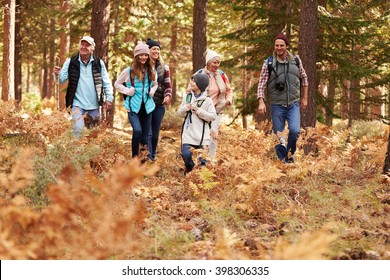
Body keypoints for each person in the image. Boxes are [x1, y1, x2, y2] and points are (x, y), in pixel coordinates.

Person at [257, 33, 308, 163]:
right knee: (278, 135)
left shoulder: (296, 60)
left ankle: (290, 155)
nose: (279, 48)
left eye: (281, 45)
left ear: (286, 46)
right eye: (276, 45)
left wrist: (305, 98)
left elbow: (304, 79)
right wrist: (261, 101)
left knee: (295, 131)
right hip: (276, 104)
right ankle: (284, 160)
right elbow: (261, 84)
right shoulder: (268, 63)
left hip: (293, 103)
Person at [54, 35, 114, 137]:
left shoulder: (99, 63)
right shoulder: (71, 62)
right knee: (78, 130)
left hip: (94, 105)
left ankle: (90, 153)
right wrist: (56, 74)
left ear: (92, 48)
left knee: (93, 135)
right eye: (82, 44)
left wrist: (109, 98)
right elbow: (61, 79)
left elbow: (106, 82)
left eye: (87, 45)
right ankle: (77, 152)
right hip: (77, 104)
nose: (84, 47)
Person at [114, 41, 157, 158]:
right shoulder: (128, 71)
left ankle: (142, 163)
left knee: (145, 137)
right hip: (133, 107)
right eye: (141, 55)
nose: (143, 57)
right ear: (136, 56)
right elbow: (117, 84)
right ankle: (134, 158)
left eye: (145, 55)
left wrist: (153, 90)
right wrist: (127, 91)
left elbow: (155, 84)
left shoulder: (151, 71)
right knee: (137, 131)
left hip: (147, 107)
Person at [191, 49, 233, 161]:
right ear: (208, 63)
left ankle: (211, 160)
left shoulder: (222, 75)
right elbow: (189, 90)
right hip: (201, 111)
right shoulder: (199, 74)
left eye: (218, 62)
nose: (217, 65)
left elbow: (229, 90)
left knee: (213, 136)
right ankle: (199, 159)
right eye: (214, 62)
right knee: (200, 135)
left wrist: (228, 101)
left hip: (217, 110)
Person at [178, 73, 217, 175]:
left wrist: (199, 111)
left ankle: (201, 181)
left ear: (200, 84)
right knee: (186, 155)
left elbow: (213, 116)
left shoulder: (207, 100)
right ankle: (189, 169)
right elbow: (180, 113)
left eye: (193, 81)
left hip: (202, 136)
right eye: (191, 80)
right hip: (188, 134)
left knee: (203, 162)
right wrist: (186, 108)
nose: (191, 82)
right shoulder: (187, 97)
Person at [145, 38, 172, 161]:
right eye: (153, 49)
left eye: (158, 49)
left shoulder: (164, 67)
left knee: (155, 134)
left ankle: (153, 154)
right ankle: (148, 158)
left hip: (159, 104)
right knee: (148, 133)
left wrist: (167, 96)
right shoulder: (143, 66)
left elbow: (167, 85)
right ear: (148, 50)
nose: (156, 51)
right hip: (145, 103)